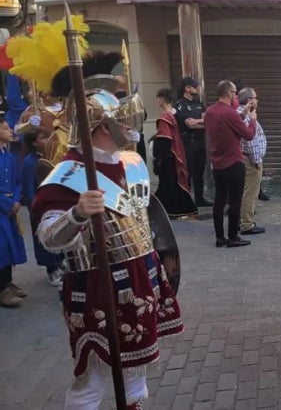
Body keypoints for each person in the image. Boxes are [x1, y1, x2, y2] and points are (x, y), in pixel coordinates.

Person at [31, 69, 183, 409]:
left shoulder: (129, 161)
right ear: (100, 128)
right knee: (94, 377)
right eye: (121, 121)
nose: (129, 128)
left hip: (141, 276)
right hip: (98, 283)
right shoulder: (69, 174)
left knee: (136, 370)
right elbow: (49, 237)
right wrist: (78, 214)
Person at [205, 80, 255, 248]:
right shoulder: (230, 113)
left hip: (217, 164)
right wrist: (252, 120)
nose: (236, 96)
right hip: (233, 162)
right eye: (234, 93)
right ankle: (233, 236)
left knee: (219, 201)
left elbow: (227, 124)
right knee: (235, 201)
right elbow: (248, 134)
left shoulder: (210, 112)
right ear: (228, 93)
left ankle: (220, 237)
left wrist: (243, 114)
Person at [20, 127, 65, 286]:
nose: (47, 141)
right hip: (40, 206)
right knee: (43, 238)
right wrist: (36, 207)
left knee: (57, 233)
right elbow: (28, 188)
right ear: (34, 143)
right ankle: (51, 270)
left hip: (52, 203)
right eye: (43, 138)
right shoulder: (29, 162)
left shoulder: (49, 157)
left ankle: (59, 263)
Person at [153, 88, 198, 219]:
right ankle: (178, 210)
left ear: (161, 99)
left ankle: (166, 210)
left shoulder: (165, 117)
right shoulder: (175, 115)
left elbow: (164, 139)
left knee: (168, 184)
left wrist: (158, 156)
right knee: (173, 184)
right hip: (178, 153)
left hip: (169, 157)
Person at [0, 117, 27, 308]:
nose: (10, 130)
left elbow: (16, 180)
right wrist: (8, 202)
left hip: (9, 208)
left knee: (10, 245)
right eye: (5, 128)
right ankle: (1, 289)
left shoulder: (8, 155)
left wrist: (16, 199)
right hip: (2, 208)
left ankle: (8, 281)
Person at [174, 77, 211, 207]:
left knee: (199, 171)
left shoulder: (199, 104)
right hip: (188, 142)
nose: (197, 88)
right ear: (187, 88)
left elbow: (209, 122)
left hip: (200, 141)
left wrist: (198, 123)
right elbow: (188, 124)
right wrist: (200, 122)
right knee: (187, 171)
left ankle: (200, 199)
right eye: (194, 86)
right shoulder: (180, 105)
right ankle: (186, 199)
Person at [237, 87, 266, 236]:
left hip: (245, 158)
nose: (257, 100)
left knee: (244, 192)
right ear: (249, 100)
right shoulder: (247, 115)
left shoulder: (241, 113)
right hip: (250, 160)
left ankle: (241, 221)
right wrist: (256, 161)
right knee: (250, 193)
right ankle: (247, 224)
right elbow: (251, 141)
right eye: (255, 98)